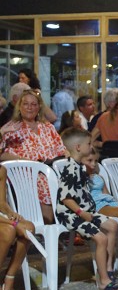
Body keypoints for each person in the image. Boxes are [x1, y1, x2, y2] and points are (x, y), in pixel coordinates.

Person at [56, 128, 118, 290]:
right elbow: (66, 198)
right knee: (101, 239)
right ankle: (104, 281)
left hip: (84, 211)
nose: (91, 146)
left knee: (112, 225)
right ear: (78, 147)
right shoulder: (70, 169)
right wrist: (82, 213)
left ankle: (107, 268)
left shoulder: (79, 166)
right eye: (88, 143)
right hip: (71, 214)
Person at [0, 90, 69, 223]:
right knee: (45, 182)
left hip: (50, 167)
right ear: (19, 107)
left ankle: (69, 223)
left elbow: (62, 149)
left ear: (39, 107)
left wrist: (66, 156)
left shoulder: (47, 127)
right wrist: (26, 161)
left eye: (33, 104)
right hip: (25, 173)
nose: (30, 107)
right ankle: (48, 226)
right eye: (26, 104)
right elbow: (2, 155)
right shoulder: (12, 127)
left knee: (72, 177)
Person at [0, 164, 35, 290]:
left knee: (29, 228)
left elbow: (1, 203)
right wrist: (13, 223)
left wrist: (11, 214)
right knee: (9, 231)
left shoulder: (1, 170)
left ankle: (9, 278)